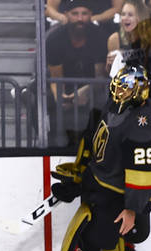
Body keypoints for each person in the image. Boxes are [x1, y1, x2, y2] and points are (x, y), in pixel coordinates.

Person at [42, 65, 151, 251]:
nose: (118, 91)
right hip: (101, 188)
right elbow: (97, 144)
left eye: (125, 88)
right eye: (117, 85)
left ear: (139, 91)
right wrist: (79, 175)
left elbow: (146, 173)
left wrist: (133, 209)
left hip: (117, 198)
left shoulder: (143, 121)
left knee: (86, 242)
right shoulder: (114, 106)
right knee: (114, 246)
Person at [46, 0, 111, 143]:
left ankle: (102, 143)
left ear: (91, 15)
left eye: (84, 14)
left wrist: (86, 91)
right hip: (65, 86)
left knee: (105, 98)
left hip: (92, 87)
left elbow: (100, 76)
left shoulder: (100, 37)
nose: (80, 18)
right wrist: (61, 98)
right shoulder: (54, 39)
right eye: (75, 14)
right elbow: (56, 77)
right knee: (46, 99)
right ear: (66, 15)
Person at [105, 1, 151, 109]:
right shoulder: (114, 39)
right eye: (123, 14)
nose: (125, 18)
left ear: (140, 17)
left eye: (130, 15)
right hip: (123, 93)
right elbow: (111, 73)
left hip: (148, 92)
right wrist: (110, 65)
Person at [47, 0, 122, 26]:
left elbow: (118, 8)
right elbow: (50, 8)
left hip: (102, 26)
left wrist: (94, 19)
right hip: (67, 27)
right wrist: (62, 18)